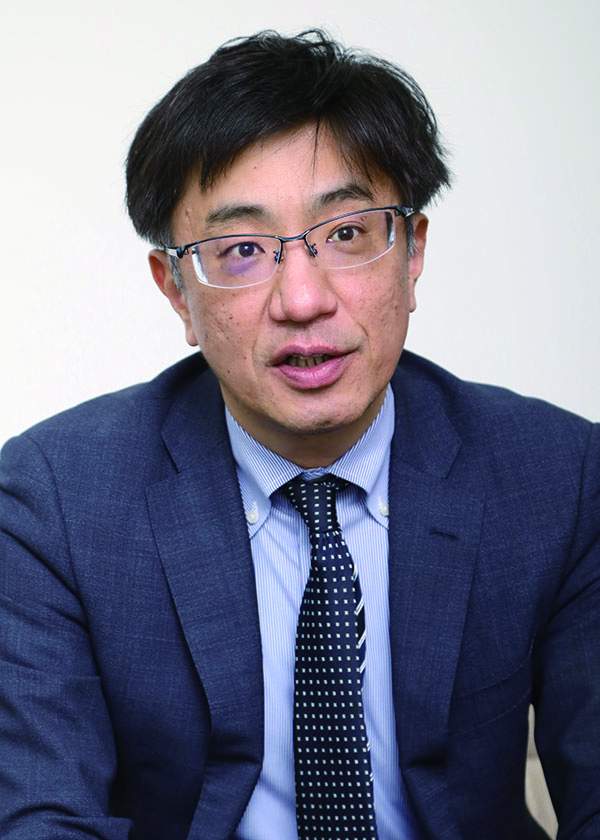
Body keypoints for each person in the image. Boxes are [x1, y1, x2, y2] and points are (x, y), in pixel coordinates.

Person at [0, 29, 598, 840]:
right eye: (242, 250)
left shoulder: (558, 476)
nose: (304, 298)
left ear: (412, 252)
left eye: (348, 234)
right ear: (176, 291)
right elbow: (42, 819)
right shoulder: (55, 501)